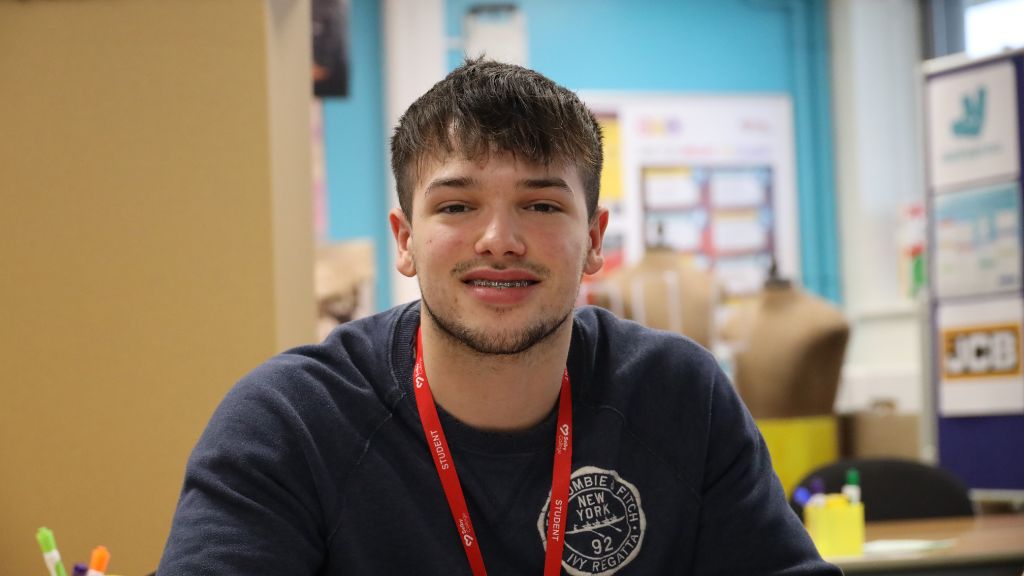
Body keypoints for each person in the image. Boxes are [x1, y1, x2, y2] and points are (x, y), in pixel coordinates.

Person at [158, 58, 840, 575]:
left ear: (595, 238)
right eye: (456, 207)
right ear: (404, 239)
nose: (499, 240)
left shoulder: (679, 397)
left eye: (542, 206)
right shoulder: (290, 423)